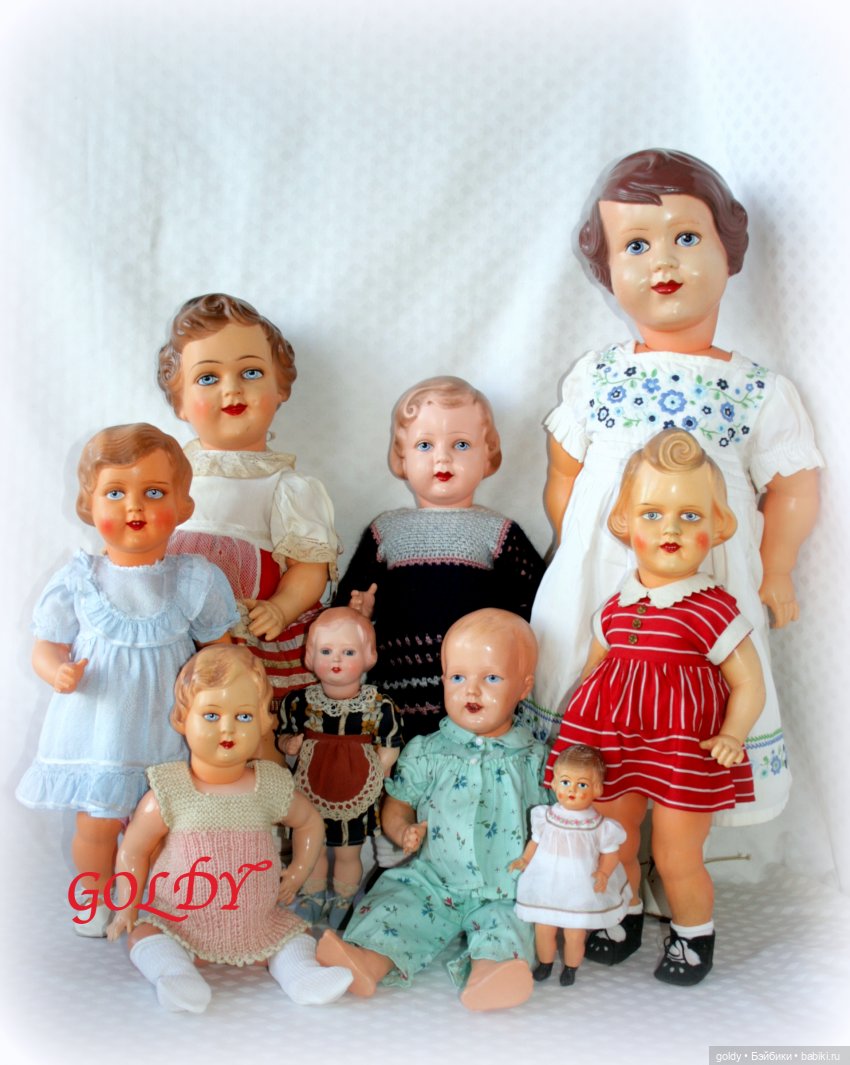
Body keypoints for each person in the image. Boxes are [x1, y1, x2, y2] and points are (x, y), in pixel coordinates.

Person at [527, 149, 822, 827]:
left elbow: (794, 486)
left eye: (686, 237)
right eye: (636, 245)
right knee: (586, 681)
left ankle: (681, 828)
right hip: (601, 576)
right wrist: (573, 546)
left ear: (729, 250)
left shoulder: (755, 389)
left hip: (705, 582)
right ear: (606, 269)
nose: (663, 261)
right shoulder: (597, 375)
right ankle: (589, 825)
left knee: (703, 693)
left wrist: (777, 565)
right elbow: (565, 470)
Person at [547, 429, 766, 985]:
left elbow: (749, 682)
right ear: (625, 522)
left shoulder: (710, 607)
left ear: (719, 525)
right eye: (652, 514)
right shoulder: (616, 607)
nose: (671, 529)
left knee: (676, 855)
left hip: (684, 750)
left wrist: (733, 733)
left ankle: (693, 936)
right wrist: (581, 731)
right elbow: (595, 674)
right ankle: (622, 915)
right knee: (613, 838)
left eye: (690, 516)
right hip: (616, 745)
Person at [16, 423, 238, 937]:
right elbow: (45, 646)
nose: (133, 507)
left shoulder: (193, 579)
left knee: (160, 823)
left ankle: (147, 900)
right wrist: (58, 671)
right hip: (99, 728)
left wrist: (223, 689)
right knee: (95, 826)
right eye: (115, 493)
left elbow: (219, 653)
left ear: (183, 505)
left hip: (166, 730)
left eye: (153, 493)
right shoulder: (81, 580)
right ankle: (92, 895)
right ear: (88, 504)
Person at [315, 608, 548, 1011]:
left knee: (512, 926)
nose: (471, 692)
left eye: (491, 678)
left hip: (508, 888)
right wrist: (402, 829)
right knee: (394, 904)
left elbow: (561, 820)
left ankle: (491, 973)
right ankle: (368, 960)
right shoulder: (428, 751)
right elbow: (399, 802)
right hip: (433, 880)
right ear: (443, 680)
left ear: (524, 687)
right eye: (458, 678)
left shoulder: (536, 758)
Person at [107, 645, 353, 1012]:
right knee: (145, 934)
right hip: (181, 919)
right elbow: (134, 850)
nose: (227, 728)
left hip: (257, 920)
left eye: (243, 716)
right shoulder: (168, 792)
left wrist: (298, 872)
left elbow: (309, 821)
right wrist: (127, 906)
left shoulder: (269, 785)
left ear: (264, 722)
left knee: (296, 935)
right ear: (182, 718)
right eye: (211, 715)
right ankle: (175, 975)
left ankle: (302, 975)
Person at [157, 293, 340, 754]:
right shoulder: (167, 475)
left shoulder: (286, 486)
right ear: (180, 401)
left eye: (251, 373)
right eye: (208, 377)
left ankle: (260, 785)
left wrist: (281, 608)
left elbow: (309, 566)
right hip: (172, 633)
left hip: (245, 635)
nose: (232, 390)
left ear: (281, 388)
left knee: (250, 730)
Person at [336, 375, 544, 741]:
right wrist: (358, 614)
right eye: (425, 445)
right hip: (395, 699)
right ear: (402, 456)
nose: (443, 458)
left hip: (480, 701)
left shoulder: (498, 532)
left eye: (461, 444)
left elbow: (539, 607)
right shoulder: (386, 531)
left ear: (488, 455)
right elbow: (344, 609)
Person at [277, 607, 402, 927]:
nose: (336, 659)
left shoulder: (379, 705)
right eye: (326, 651)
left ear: (369, 656)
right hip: (311, 784)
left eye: (348, 652)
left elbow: (390, 743)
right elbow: (283, 734)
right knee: (312, 845)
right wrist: (288, 743)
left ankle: (344, 899)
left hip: (355, 785)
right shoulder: (299, 702)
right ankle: (312, 896)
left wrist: (377, 768)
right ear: (310, 655)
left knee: (348, 851)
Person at [509, 743, 629, 987]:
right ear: (554, 784)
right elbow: (535, 842)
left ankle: (571, 967)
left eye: (582, 784)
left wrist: (604, 873)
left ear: (597, 789)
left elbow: (610, 854)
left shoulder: (600, 825)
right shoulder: (545, 816)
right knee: (544, 927)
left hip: (579, 887)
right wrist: (524, 859)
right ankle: (545, 963)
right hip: (546, 883)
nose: (572, 790)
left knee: (575, 932)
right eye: (565, 782)